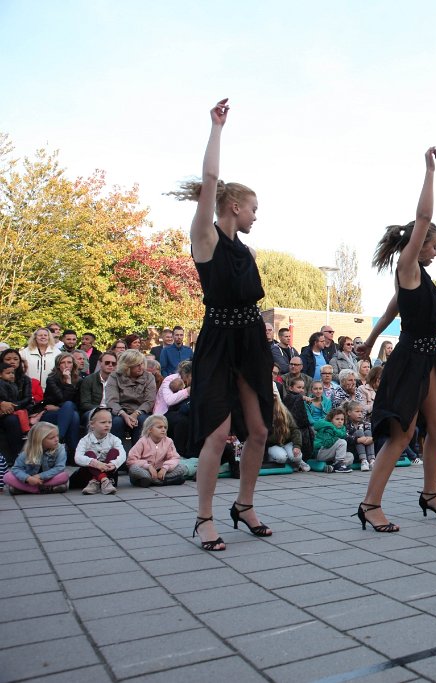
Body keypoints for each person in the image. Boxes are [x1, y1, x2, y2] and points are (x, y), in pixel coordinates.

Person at [169, 98, 274, 550]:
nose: (256, 215)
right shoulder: (206, 236)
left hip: (250, 338)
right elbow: (209, 180)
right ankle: (204, 517)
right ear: (232, 205)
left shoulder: (246, 251)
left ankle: (244, 505)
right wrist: (216, 129)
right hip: (217, 339)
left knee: (260, 430)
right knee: (217, 431)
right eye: (252, 208)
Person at [353, 146, 436, 532]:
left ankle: (430, 493)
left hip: (428, 359)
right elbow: (423, 216)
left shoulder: (417, 278)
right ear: (418, 244)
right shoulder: (408, 265)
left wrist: (372, 338)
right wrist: (429, 171)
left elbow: (393, 308)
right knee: (402, 432)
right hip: (410, 357)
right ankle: (370, 504)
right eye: (433, 245)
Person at [105, 349, 156, 445]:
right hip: (119, 411)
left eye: (142, 363)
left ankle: (137, 455)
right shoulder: (114, 376)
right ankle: (115, 454)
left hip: (140, 411)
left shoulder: (149, 377)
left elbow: (149, 401)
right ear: (127, 366)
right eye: (137, 365)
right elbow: (111, 401)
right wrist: (124, 415)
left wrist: (135, 414)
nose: (141, 367)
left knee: (142, 421)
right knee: (116, 422)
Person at [2, 422, 70, 494]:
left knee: (64, 476)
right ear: (39, 440)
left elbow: (59, 468)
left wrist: (40, 476)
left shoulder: (60, 448)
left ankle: (25, 489)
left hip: (48, 478)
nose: (56, 439)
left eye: (57, 436)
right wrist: (28, 478)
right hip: (30, 480)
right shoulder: (27, 452)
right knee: (7, 476)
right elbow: (16, 469)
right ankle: (42, 489)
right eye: (51, 438)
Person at [73, 407, 125, 494]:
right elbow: (77, 457)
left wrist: (114, 464)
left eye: (110, 422)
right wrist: (95, 463)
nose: (107, 425)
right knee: (89, 453)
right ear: (92, 424)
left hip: (109, 471)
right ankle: (104, 480)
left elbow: (123, 454)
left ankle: (96, 481)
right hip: (90, 472)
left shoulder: (114, 439)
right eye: (103, 422)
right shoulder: (85, 440)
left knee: (115, 452)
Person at [39, 352, 81, 454]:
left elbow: (78, 403)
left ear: (73, 364)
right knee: (72, 412)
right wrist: (68, 382)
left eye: (69, 362)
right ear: (58, 365)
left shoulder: (79, 380)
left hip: (64, 410)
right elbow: (62, 399)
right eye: (63, 362)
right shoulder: (51, 379)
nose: (66, 365)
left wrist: (69, 382)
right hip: (51, 413)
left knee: (72, 411)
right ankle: (71, 451)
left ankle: (59, 439)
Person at [126, 415, 186, 487]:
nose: (163, 429)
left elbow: (174, 458)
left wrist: (165, 468)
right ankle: (164, 481)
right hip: (145, 471)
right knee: (133, 469)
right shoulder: (142, 441)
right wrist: (148, 466)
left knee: (182, 467)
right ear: (149, 429)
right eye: (159, 427)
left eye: (165, 427)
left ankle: (152, 481)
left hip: (160, 471)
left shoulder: (168, 441)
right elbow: (131, 461)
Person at [266, 395, 309, 471]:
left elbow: (295, 430)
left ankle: (298, 462)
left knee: (296, 456)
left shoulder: (284, 412)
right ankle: (273, 458)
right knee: (281, 458)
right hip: (272, 445)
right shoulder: (263, 414)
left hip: (287, 442)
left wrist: (297, 446)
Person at [312, 406, 353, 472]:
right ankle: (339, 465)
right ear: (331, 420)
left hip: (332, 453)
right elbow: (327, 443)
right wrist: (336, 437)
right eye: (337, 419)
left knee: (350, 456)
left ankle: (334, 466)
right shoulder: (328, 428)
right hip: (321, 451)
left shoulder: (342, 429)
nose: (340, 421)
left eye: (342, 419)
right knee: (342, 442)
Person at [343, 400, 375, 471]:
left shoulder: (365, 423)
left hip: (367, 451)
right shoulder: (346, 425)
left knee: (368, 432)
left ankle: (372, 461)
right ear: (349, 413)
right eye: (357, 412)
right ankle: (363, 461)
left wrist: (371, 439)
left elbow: (375, 434)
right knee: (359, 433)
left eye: (361, 412)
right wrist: (358, 440)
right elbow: (345, 438)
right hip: (353, 452)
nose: (360, 414)